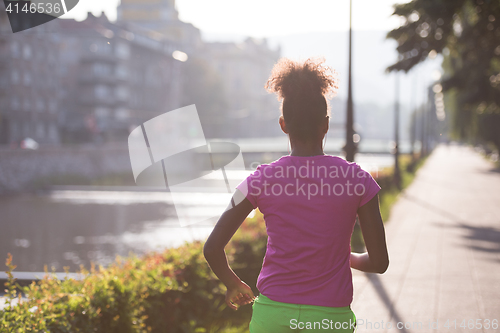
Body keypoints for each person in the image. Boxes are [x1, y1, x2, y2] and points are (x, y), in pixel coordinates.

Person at [203, 57, 389, 333]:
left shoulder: (260, 180)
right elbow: (379, 262)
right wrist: (343, 256)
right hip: (330, 320)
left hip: (272, 317)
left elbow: (212, 248)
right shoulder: (357, 180)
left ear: (283, 124)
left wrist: (233, 284)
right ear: (325, 125)